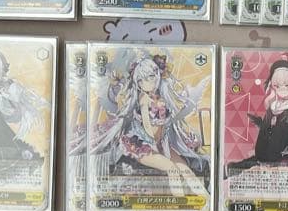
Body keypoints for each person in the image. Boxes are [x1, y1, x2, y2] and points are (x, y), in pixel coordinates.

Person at [87, 52, 208, 197]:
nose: (148, 82)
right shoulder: (144, 99)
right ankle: (180, 202)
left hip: (162, 143)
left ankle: (206, 200)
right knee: (172, 169)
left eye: (151, 76)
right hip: (142, 145)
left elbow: (168, 123)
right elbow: (147, 127)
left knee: (185, 169)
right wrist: (156, 146)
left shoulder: (161, 97)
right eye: (142, 80)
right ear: (137, 83)